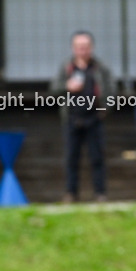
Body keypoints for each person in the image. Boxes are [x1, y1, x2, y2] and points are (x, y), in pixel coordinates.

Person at [51, 31, 114, 203]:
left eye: (86, 47)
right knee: (71, 158)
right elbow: (54, 90)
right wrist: (67, 87)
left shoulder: (100, 68)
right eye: (79, 47)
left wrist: (105, 110)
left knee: (97, 158)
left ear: (91, 48)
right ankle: (71, 194)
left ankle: (100, 194)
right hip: (72, 119)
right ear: (73, 48)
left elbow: (111, 90)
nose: (83, 51)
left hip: (94, 118)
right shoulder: (66, 67)